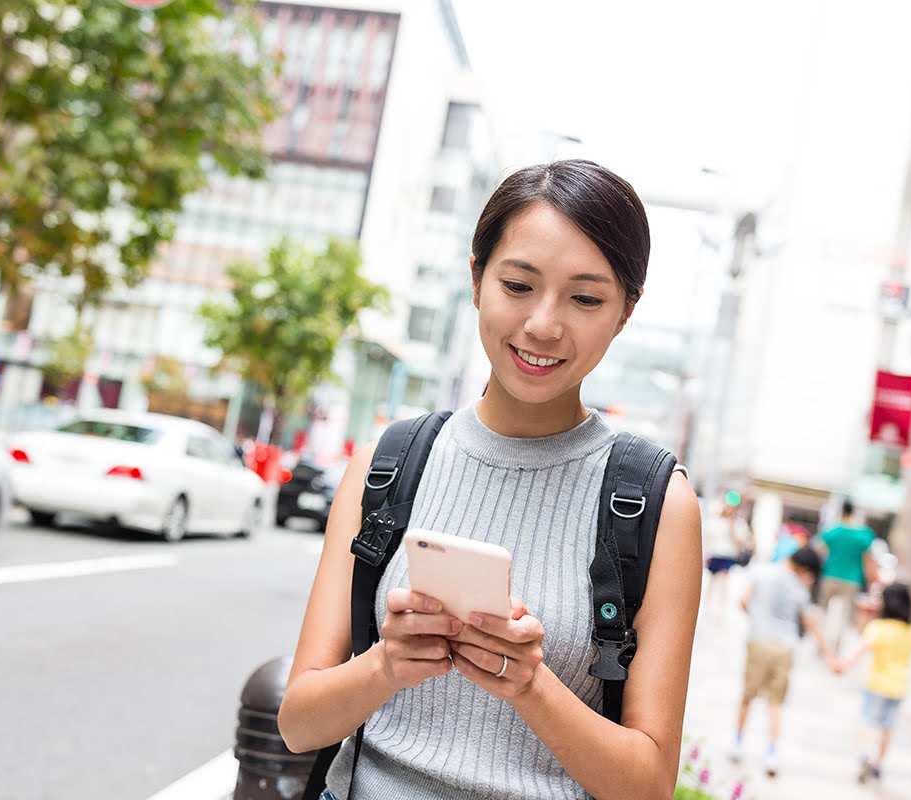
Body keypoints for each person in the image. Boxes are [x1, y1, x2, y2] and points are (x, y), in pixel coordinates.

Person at [277, 160, 703, 800]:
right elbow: (298, 722)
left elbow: (647, 785)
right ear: (477, 279)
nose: (543, 325)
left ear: (625, 312)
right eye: (518, 285)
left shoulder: (657, 504)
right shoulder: (387, 463)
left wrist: (530, 684)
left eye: (585, 298)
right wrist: (386, 664)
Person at [730, 546, 835, 777]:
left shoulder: (762, 571)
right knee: (775, 702)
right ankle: (771, 752)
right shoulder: (799, 587)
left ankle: (738, 742)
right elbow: (810, 622)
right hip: (785, 647)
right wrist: (828, 655)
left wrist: (757, 620)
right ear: (804, 568)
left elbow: (744, 600)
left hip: (759, 640)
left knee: (748, 695)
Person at [831, 582, 911, 783]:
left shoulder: (878, 628)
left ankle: (863, 755)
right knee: (887, 726)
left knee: (866, 720)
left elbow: (860, 650)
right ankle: (878, 764)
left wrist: (842, 665)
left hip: (876, 684)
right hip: (898, 687)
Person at [815, 500, 878, 650]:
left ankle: (820, 645)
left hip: (830, 575)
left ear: (842, 511)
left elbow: (820, 550)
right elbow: (868, 559)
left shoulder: (832, 530)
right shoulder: (864, 534)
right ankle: (836, 647)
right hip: (852, 579)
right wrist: (870, 580)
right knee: (843, 617)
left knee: (822, 612)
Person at [702, 499, 753, 617]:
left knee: (722, 580)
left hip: (727, 555)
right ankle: (707, 604)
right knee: (712, 580)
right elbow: (709, 539)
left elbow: (741, 542)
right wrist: (707, 554)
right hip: (715, 554)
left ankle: (720, 607)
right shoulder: (715, 522)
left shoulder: (738, 524)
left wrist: (732, 529)